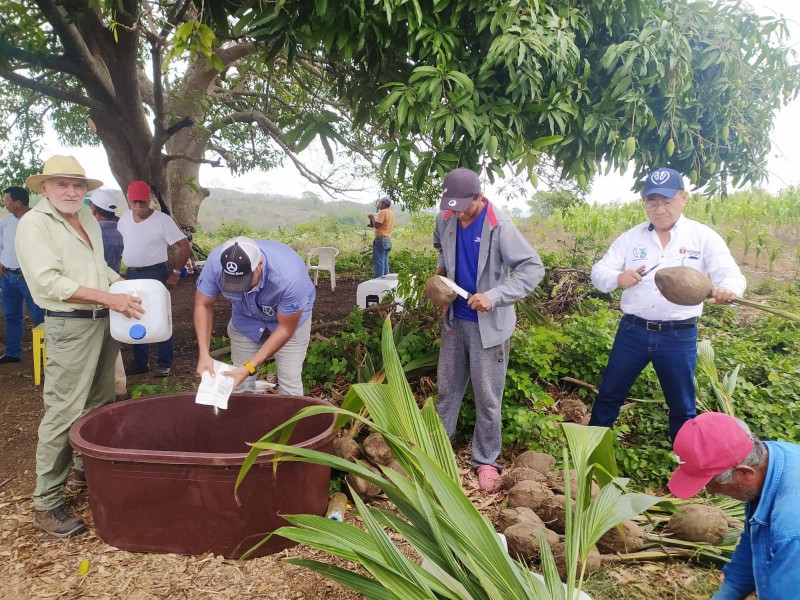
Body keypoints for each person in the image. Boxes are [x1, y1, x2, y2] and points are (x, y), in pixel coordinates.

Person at [16, 155, 143, 537]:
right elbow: (49, 284)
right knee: (63, 410)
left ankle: (86, 473)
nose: (71, 191)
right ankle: (46, 503)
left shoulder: (85, 217)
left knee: (101, 402)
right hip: (69, 327)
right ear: (44, 189)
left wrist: (121, 286)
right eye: (61, 184)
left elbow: (94, 266)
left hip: (104, 322)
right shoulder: (34, 225)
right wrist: (110, 299)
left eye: (77, 185)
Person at [589, 167, 746, 440]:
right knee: (609, 395)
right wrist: (617, 278)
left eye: (667, 201)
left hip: (679, 335)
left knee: (683, 407)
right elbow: (598, 272)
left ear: (683, 198)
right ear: (645, 203)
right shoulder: (631, 238)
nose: (659, 209)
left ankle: (686, 465)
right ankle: (589, 454)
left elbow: (730, 274)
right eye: (652, 202)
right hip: (633, 332)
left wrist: (728, 290)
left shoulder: (702, 236)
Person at [433, 168, 545, 492]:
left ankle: (485, 461)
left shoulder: (500, 226)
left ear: (480, 197)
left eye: (463, 206)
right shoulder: (445, 217)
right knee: (447, 392)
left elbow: (532, 268)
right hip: (456, 320)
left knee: (488, 397)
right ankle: (437, 454)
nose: (456, 213)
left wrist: (494, 296)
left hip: (489, 327)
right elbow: (441, 249)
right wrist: (441, 280)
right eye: (451, 206)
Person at [668, 412, 800, 598]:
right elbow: (750, 549)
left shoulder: (791, 527)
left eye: (713, 485)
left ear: (745, 473)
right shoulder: (768, 461)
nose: (712, 492)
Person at [194, 236, 316, 395]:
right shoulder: (215, 265)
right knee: (239, 383)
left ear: (259, 265)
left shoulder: (289, 277)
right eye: (231, 281)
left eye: (244, 280)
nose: (240, 288)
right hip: (245, 320)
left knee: (289, 382)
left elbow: (285, 328)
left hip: (288, 323)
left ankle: (291, 419)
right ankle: (243, 419)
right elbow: (203, 304)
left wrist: (249, 367)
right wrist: (204, 353)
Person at [117, 180, 191, 377]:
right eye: (135, 201)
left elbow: (185, 246)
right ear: (128, 200)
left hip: (155, 273)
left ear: (150, 199)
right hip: (131, 273)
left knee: (160, 316)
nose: (139, 205)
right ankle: (141, 362)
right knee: (135, 314)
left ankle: (164, 362)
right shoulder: (124, 219)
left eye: (143, 201)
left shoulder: (162, 220)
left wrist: (175, 273)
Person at [89, 190, 128, 402]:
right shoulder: (118, 231)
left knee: (101, 337)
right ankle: (120, 385)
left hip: (98, 289)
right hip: (115, 285)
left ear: (94, 209)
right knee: (113, 336)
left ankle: (109, 387)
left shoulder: (95, 233)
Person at [0, 186, 44, 363]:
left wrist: (31, 270)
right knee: (12, 315)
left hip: (28, 278)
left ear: (18, 203)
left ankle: (44, 353)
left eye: (7, 200)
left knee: (39, 316)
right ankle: (13, 353)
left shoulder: (38, 221)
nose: (5, 204)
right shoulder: (5, 222)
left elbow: (44, 250)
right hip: (7, 276)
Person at [368, 196, 394, 277]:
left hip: (381, 239)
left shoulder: (383, 212)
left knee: (379, 263)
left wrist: (372, 217)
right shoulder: (391, 213)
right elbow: (376, 225)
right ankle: (385, 283)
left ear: (384, 203)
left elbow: (377, 225)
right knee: (384, 262)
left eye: (380, 202)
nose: (379, 204)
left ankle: (378, 283)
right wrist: (372, 221)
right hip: (387, 240)